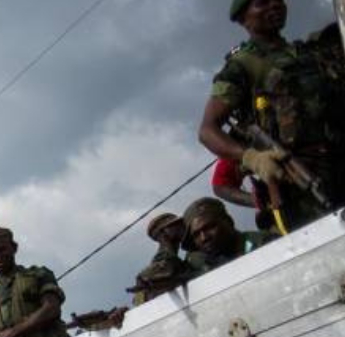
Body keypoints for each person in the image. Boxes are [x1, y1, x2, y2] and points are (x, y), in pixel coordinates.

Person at [199, 0, 345, 230]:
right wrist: (252, 158)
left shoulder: (312, 53)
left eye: (277, 0)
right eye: (261, 3)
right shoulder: (243, 65)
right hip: (297, 180)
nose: (274, 5)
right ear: (242, 18)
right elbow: (208, 131)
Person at [182, 197, 274, 275]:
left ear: (228, 221)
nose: (204, 238)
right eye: (196, 235)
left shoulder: (264, 243)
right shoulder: (204, 265)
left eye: (209, 227)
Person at [131, 213, 193, 305]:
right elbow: (139, 300)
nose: (182, 226)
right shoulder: (163, 261)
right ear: (163, 233)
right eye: (175, 225)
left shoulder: (184, 253)